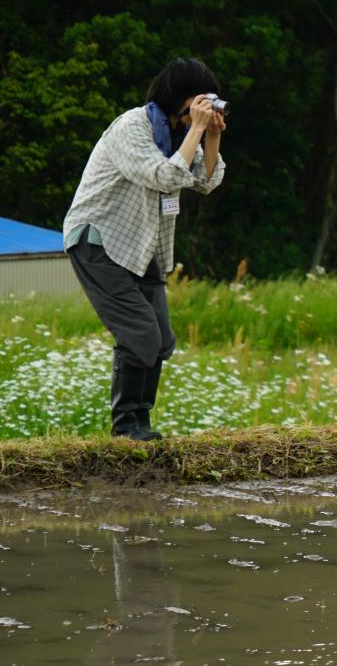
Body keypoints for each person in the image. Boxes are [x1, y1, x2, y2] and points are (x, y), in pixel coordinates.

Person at [63, 58, 228, 440]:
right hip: (99, 241)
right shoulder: (133, 127)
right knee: (140, 335)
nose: (203, 108)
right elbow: (165, 176)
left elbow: (206, 181)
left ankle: (141, 425)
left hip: (143, 246)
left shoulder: (176, 131)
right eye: (198, 99)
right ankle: (126, 430)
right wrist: (195, 131)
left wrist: (211, 136)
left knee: (160, 341)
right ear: (178, 97)